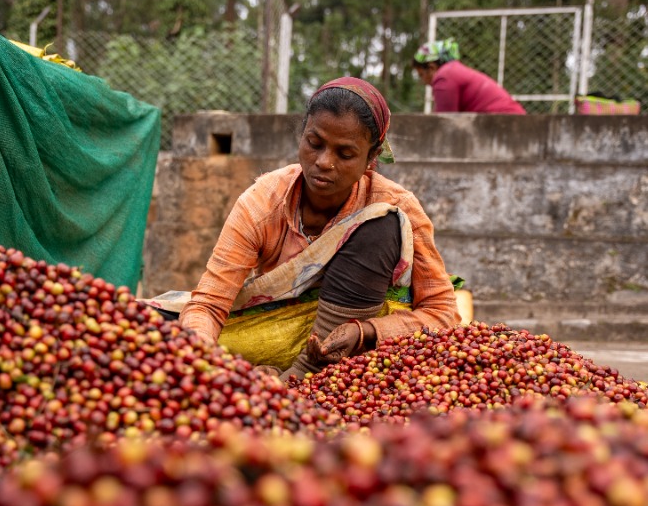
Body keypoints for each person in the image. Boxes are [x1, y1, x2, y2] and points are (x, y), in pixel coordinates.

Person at [177, 76, 461, 380]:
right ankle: (281, 375)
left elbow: (444, 314)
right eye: (315, 144)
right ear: (302, 136)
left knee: (383, 222)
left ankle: (306, 373)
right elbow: (209, 303)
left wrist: (366, 331)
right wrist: (200, 362)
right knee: (158, 330)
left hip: (359, 346)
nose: (324, 162)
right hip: (277, 332)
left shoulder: (396, 204)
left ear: (372, 158)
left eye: (345, 154)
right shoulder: (262, 203)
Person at [413, 38, 527, 114]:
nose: (423, 81)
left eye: (421, 74)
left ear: (432, 67)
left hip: (507, 123)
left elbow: (444, 122)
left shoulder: (445, 76)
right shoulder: (454, 70)